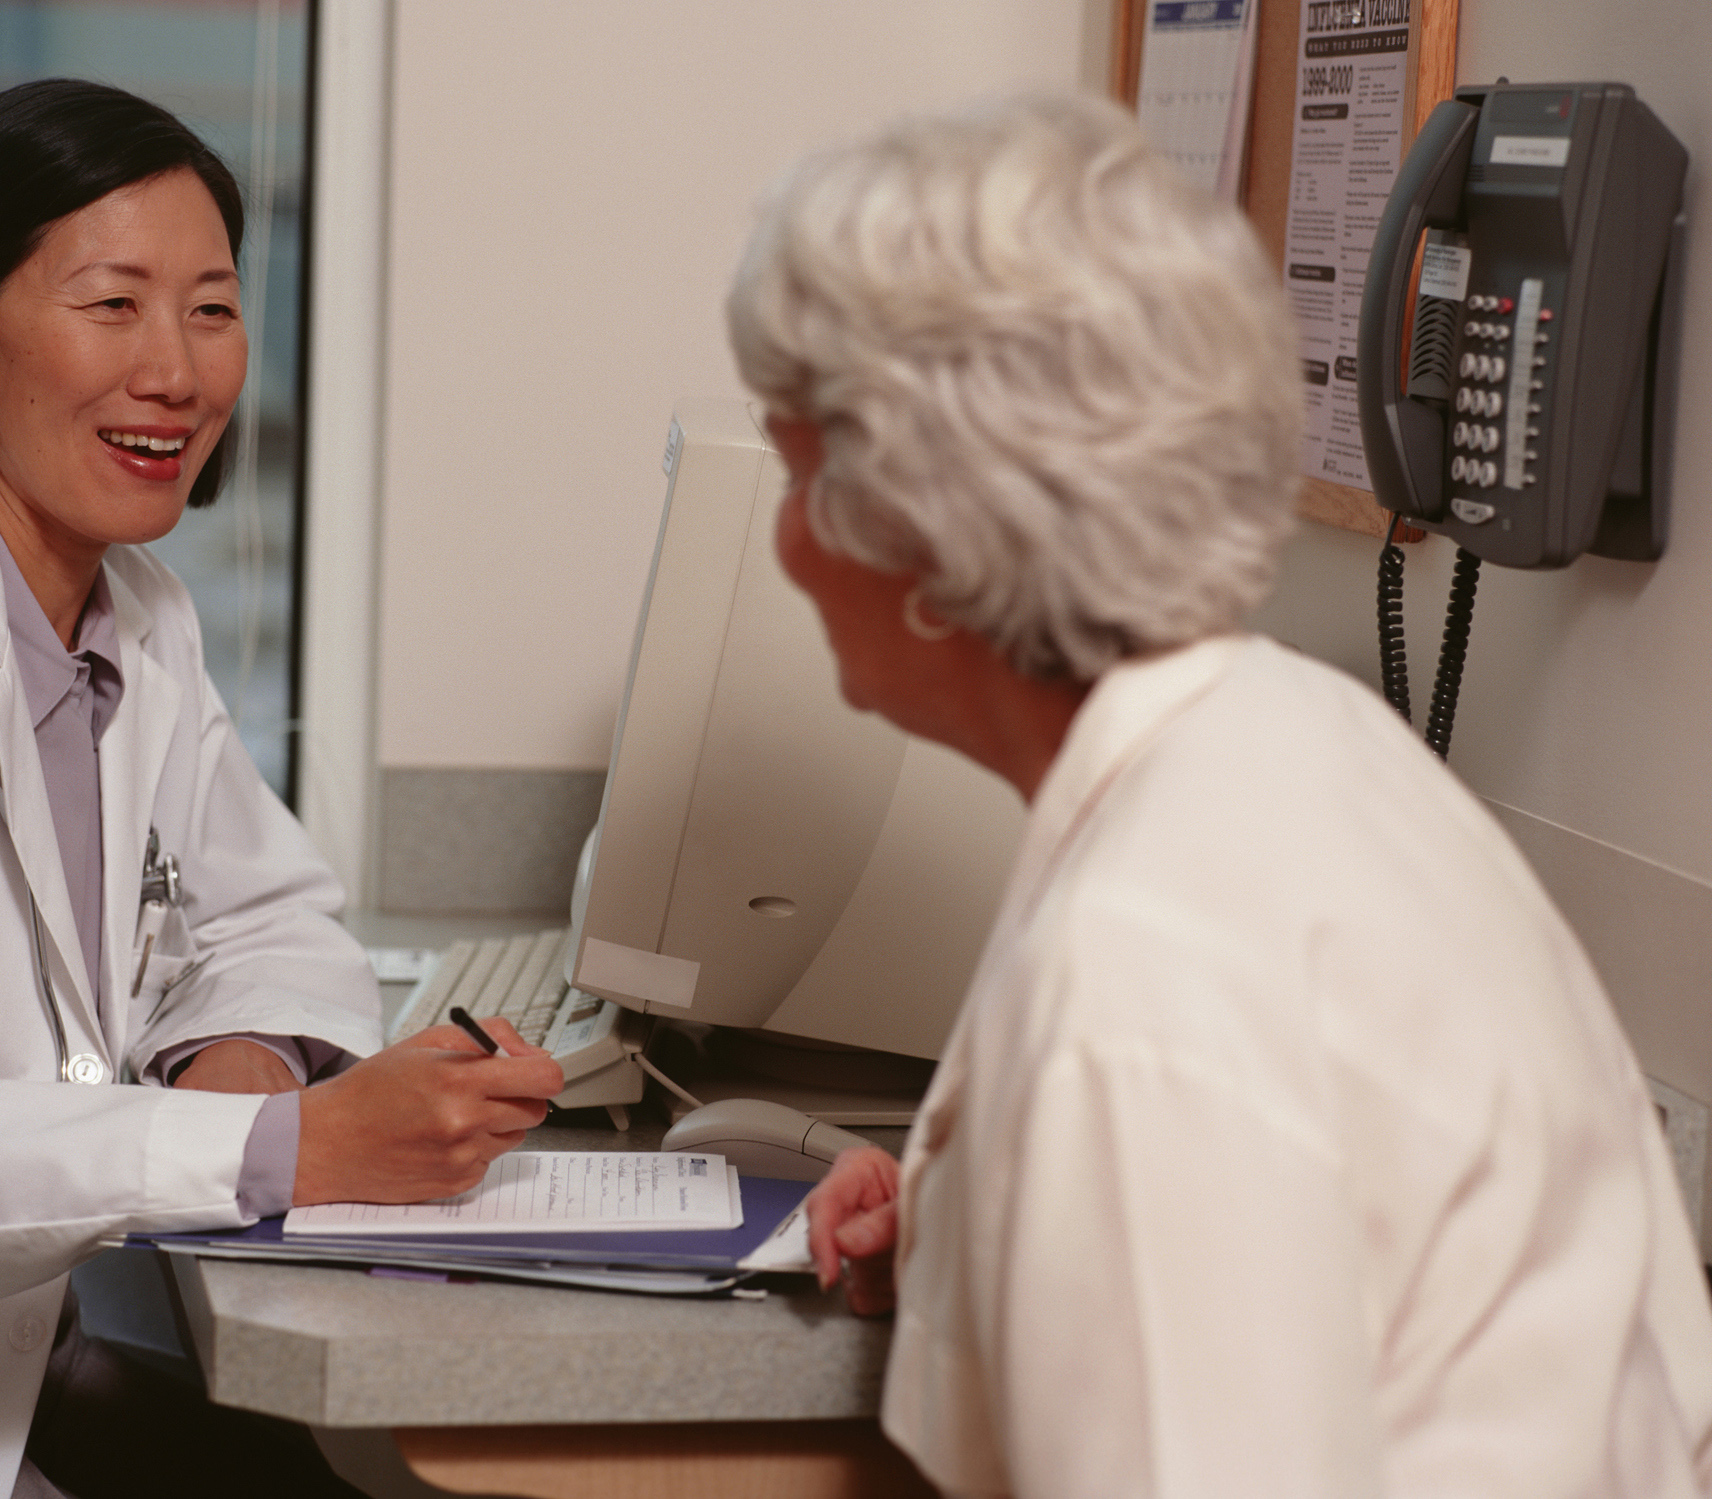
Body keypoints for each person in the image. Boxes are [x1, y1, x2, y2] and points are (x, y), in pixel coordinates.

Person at [728, 93, 1712, 1498]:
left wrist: (1070, 1173)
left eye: (794, 472)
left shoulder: (1144, 979)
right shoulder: (1309, 742)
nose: (782, 545)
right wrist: (974, 1223)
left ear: (933, 529)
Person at [0, 80, 561, 1499]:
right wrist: (271, 1147)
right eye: (113, 304)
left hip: (33, 1363)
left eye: (214, 309)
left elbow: (272, 922)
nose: (177, 370)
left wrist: (245, 1069)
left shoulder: (140, 618)